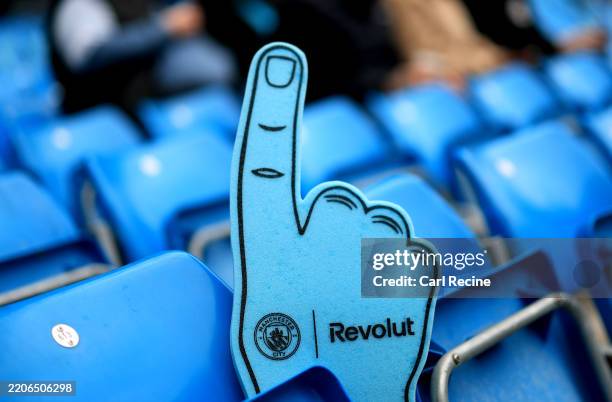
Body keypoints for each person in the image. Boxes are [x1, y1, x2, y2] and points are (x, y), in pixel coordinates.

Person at [47, 0, 237, 116]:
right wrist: (164, 28)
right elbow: (90, 55)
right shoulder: (77, 4)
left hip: (140, 95)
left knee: (216, 68)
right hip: (95, 110)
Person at [381, 0, 511, 92]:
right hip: (450, 73)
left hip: (479, 64)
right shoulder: (403, 4)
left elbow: (469, 40)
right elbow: (423, 53)